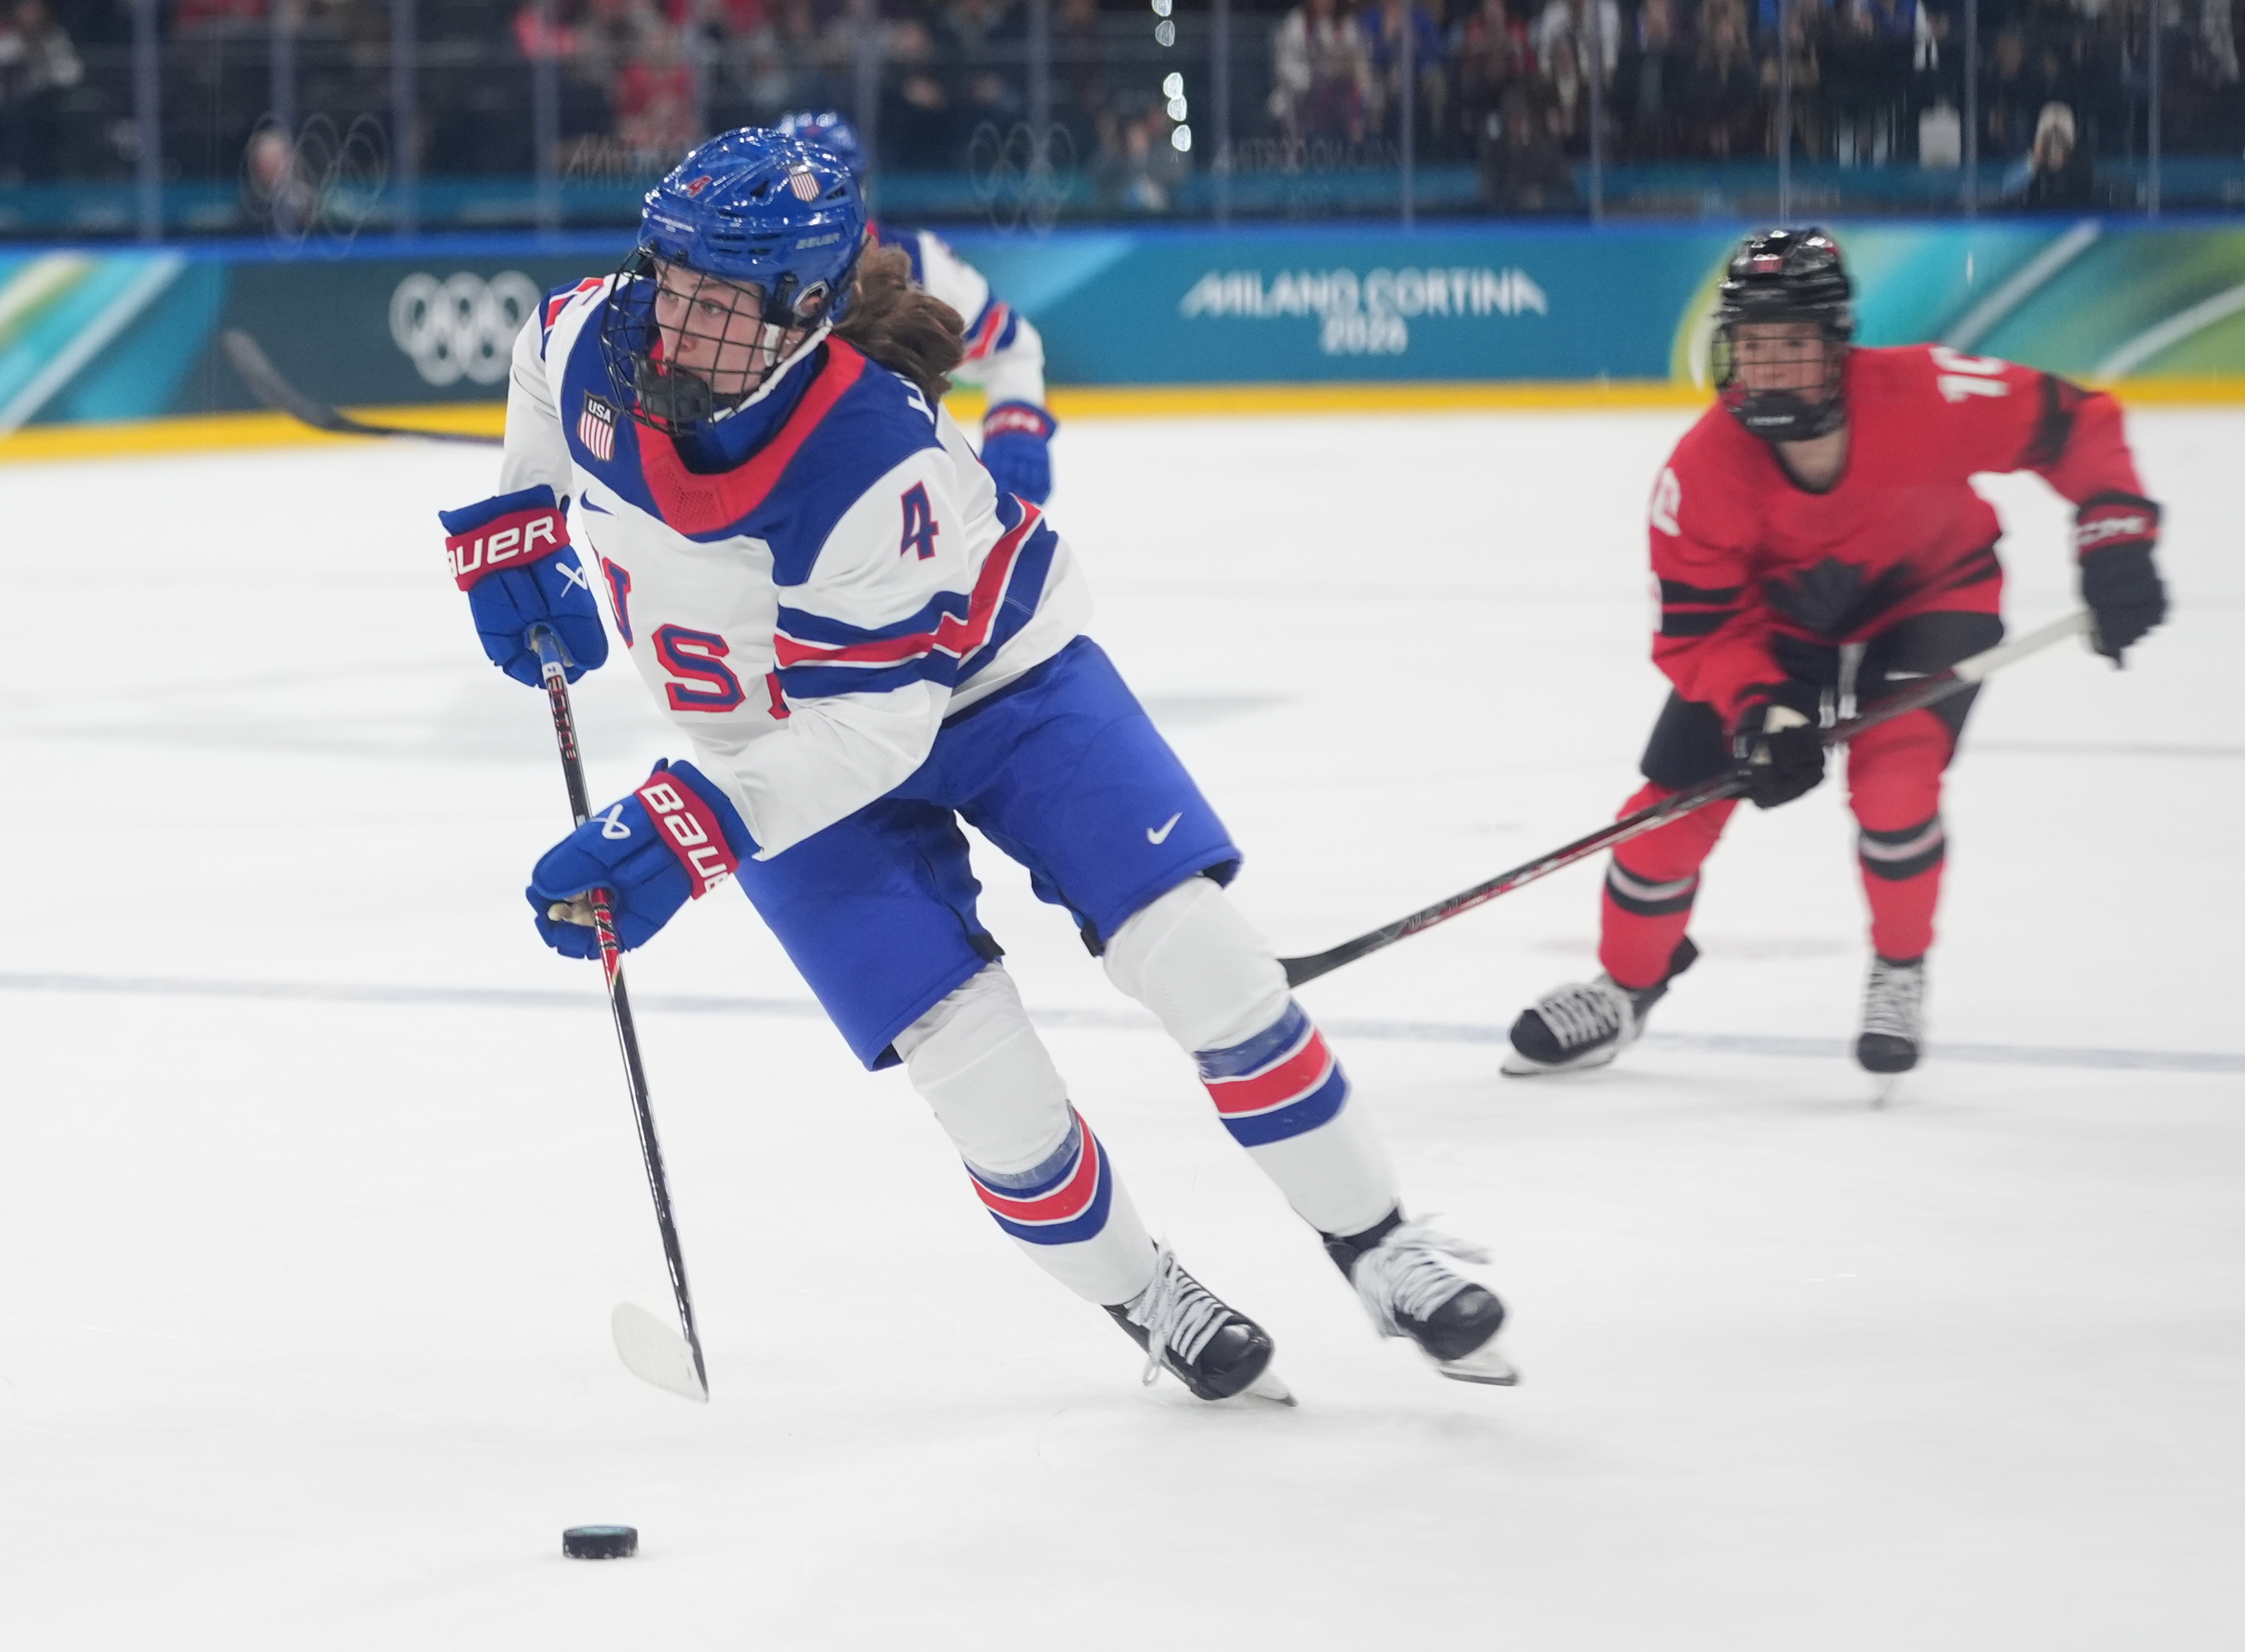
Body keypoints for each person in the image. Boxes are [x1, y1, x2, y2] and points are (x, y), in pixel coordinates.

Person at [442, 127, 1516, 1401]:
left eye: (719, 300)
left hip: (1000, 688)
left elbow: (866, 735)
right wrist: (515, 522)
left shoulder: (866, 457)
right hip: (763, 740)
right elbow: (536, 361)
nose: (675, 323)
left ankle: (1380, 1243)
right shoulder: (593, 338)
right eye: (669, 276)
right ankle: (1147, 1297)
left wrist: (682, 830)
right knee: (976, 1076)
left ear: (802, 311)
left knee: (1199, 957)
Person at [1503, 227, 2166, 1080]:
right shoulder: (1701, 473)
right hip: (1779, 633)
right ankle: (1627, 987)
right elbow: (1698, 635)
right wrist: (1764, 709)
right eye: (1752, 346)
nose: (1769, 368)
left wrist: (2114, 534)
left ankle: (1899, 966)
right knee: (1658, 824)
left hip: (1932, 603)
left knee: (1895, 789)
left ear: (1839, 346)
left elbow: (2077, 423)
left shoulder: (1931, 395)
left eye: (1793, 345)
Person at [774, 109, 1059, 507]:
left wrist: (1016, 421)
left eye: (830, 190)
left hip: (896, 492)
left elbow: (1010, 346)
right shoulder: (733, 268)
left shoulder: (916, 262)